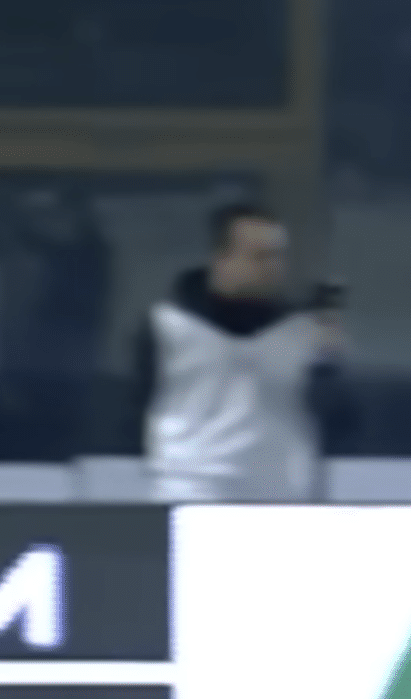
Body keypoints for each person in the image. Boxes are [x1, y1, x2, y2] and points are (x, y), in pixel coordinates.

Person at [132, 202, 353, 502]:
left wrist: (328, 362)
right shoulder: (167, 325)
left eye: (278, 256)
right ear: (222, 258)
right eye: (260, 257)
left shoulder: (303, 332)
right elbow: (138, 404)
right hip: (191, 488)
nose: (273, 267)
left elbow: (338, 422)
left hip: (280, 494)